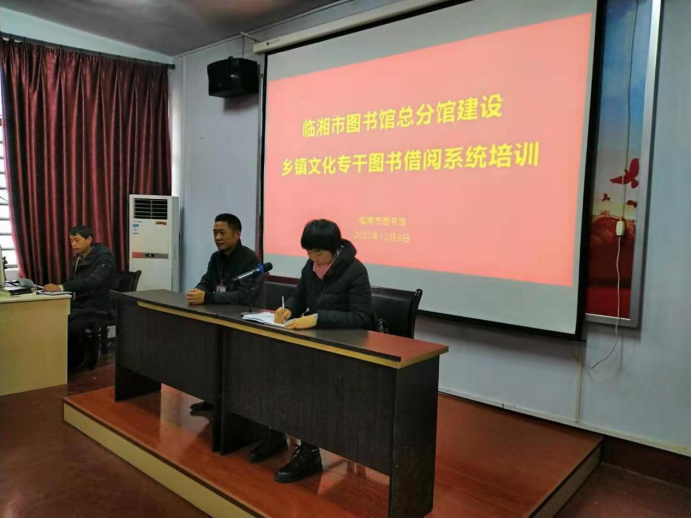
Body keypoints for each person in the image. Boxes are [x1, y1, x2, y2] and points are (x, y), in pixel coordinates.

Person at [249, 219, 373, 484]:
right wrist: (289, 309)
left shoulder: (355, 271)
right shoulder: (310, 266)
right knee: (270, 371)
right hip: (314, 343)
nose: (313, 257)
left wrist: (317, 318)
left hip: (344, 350)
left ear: (335, 248)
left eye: (318, 252)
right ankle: (275, 434)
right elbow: (300, 297)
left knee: (306, 385)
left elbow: (361, 317)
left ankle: (310, 453)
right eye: (309, 251)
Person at [186, 213, 261, 412]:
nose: (217, 237)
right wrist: (198, 291)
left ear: (237, 234)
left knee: (231, 364)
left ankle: (233, 405)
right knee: (210, 357)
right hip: (217, 316)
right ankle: (212, 398)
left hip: (241, 320)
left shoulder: (250, 259)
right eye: (214, 233)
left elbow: (243, 296)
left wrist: (208, 298)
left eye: (222, 233)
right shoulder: (215, 257)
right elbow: (207, 281)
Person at [44, 225, 115, 369]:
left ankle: (76, 360)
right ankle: (58, 358)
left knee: (72, 326)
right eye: (71, 241)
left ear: (89, 239)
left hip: (98, 304)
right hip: (81, 303)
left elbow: (93, 281)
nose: (73, 244)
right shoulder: (77, 259)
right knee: (55, 317)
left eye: (77, 240)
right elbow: (73, 282)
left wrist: (61, 287)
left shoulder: (104, 257)